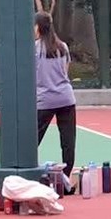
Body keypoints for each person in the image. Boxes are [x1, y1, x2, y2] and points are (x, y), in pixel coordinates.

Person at [34, 11, 77, 180]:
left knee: (32, 140)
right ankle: (66, 177)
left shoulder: (34, 49)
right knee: (68, 141)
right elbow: (65, 71)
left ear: (38, 27)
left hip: (45, 99)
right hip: (66, 97)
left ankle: (27, 170)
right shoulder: (63, 47)